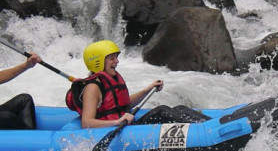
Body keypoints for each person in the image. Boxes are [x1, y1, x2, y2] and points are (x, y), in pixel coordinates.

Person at [65, 40, 207, 128]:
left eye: (116, 57)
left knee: (180, 108)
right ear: (98, 61)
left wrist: (147, 90)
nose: (117, 61)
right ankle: (204, 130)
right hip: (114, 130)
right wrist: (117, 122)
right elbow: (87, 123)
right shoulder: (92, 88)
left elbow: (123, 103)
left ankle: (212, 124)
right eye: (111, 58)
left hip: (125, 125)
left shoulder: (110, 79)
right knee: (161, 111)